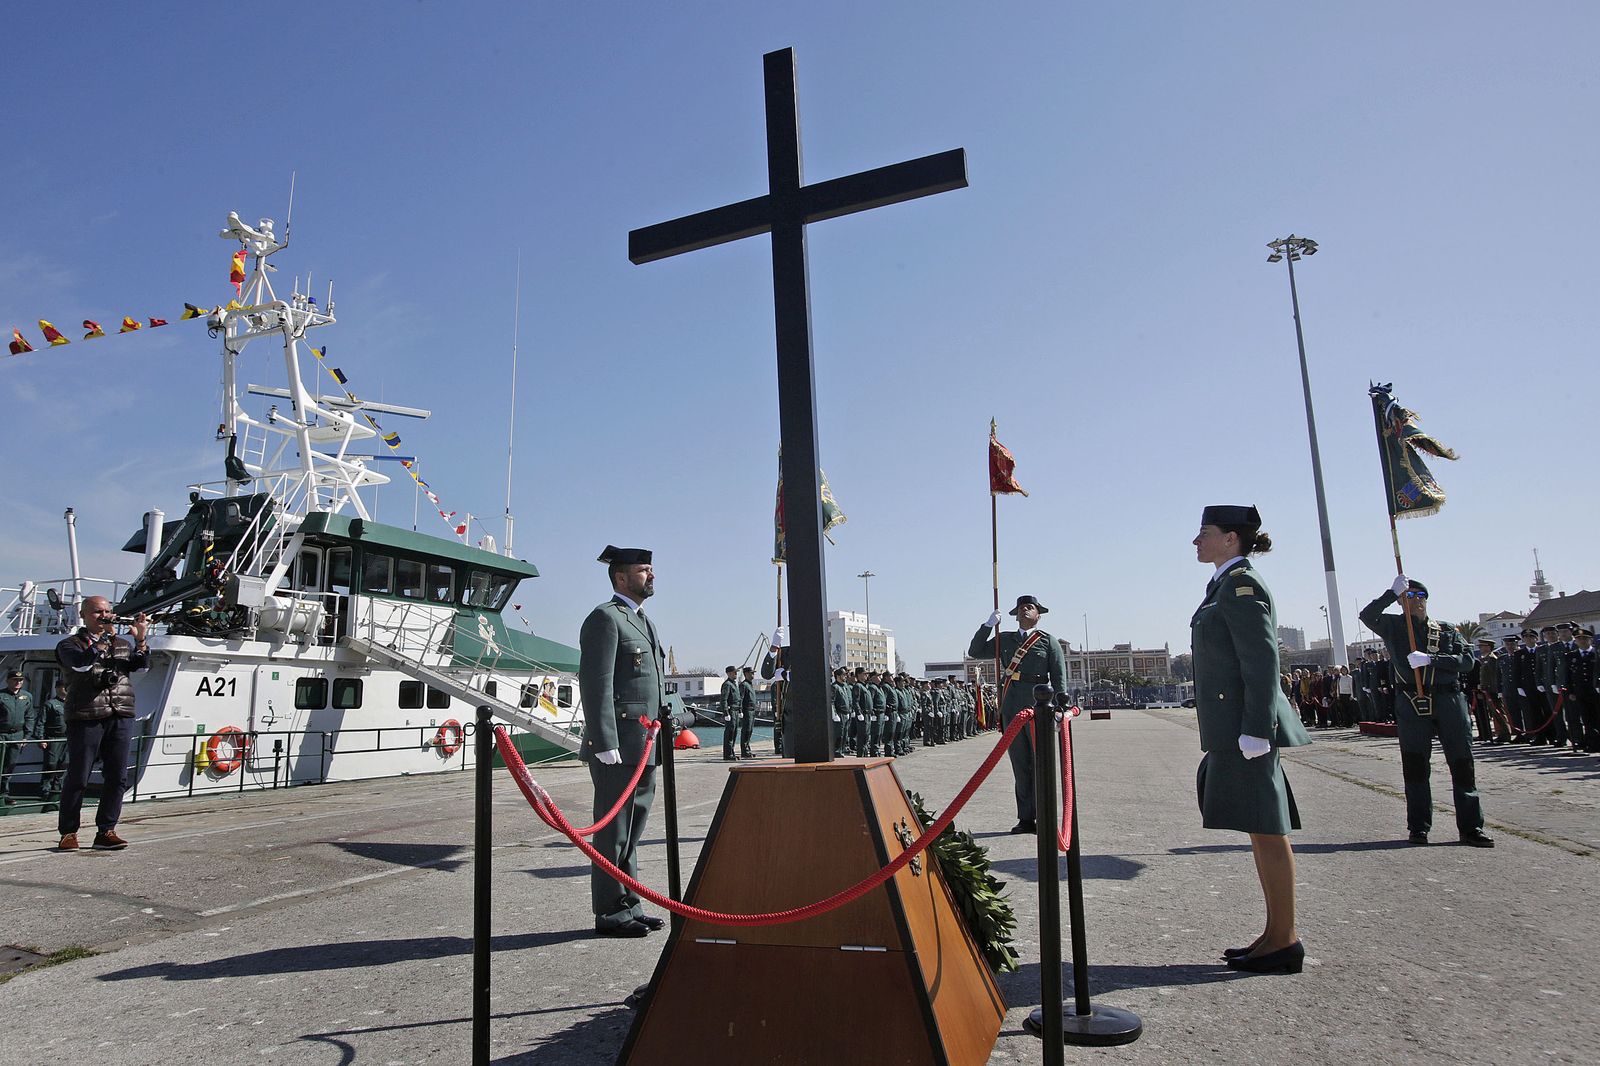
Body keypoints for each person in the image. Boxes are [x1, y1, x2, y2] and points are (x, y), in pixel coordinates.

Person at [1190, 505, 1310, 975]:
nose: (1196, 541)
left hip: (1247, 728)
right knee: (1260, 828)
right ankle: (1275, 934)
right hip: (1235, 727)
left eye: (1205, 533)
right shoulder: (1224, 584)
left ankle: (1284, 939)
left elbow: (1261, 662)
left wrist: (1258, 728)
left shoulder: (1241, 586)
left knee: (1268, 826)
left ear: (1230, 539)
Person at [1358, 577, 1494, 848]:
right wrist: (1389, 593)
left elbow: (1467, 661)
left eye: (1419, 595)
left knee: (1462, 765)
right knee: (1416, 767)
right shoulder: (1395, 626)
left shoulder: (1445, 630)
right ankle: (1419, 828)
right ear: (1401, 602)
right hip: (1411, 700)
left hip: (1449, 700)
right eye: (1408, 596)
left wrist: (1433, 659)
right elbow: (1367, 615)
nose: (1415, 599)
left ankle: (1471, 827)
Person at [577, 546, 667, 937]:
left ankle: (629, 904)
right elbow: (595, 684)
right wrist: (603, 740)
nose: (652, 575)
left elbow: (654, 686)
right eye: (644, 570)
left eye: (651, 569)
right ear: (621, 577)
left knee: (632, 831)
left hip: (644, 744)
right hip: (618, 747)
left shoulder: (643, 621)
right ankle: (610, 913)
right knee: (613, 833)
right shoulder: (605, 619)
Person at [54, 596, 150, 850]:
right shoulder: (68, 645)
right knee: (78, 777)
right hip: (86, 715)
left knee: (117, 776)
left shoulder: (122, 644)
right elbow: (82, 664)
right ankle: (68, 833)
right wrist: (105, 639)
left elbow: (140, 668)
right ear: (84, 615)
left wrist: (140, 639)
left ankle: (106, 830)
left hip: (120, 714)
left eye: (108, 611)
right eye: (98, 612)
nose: (104, 615)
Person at [969, 593, 1068, 834]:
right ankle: (1026, 818)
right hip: (1012, 707)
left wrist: (1060, 706)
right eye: (1022, 607)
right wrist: (987, 626)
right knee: (1020, 766)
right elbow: (976, 651)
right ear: (1015, 615)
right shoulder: (1004, 639)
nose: (1025, 610)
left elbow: (1058, 675)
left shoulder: (1048, 641)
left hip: (1038, 708)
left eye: (1030, 607)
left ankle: (1045, 816)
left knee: (1041, 764)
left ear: (1038, 615)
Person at [0, 670, 34, 805]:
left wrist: (27, 736)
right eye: (15, 680)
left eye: (20, 680)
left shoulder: (27, 697)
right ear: (8, 681)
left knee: (10, 765)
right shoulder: (1, 696)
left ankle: (4, 793)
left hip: (17, 735)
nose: (18, 682)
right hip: (2, 734)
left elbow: (29, 716)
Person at [35, 680, 69, 806]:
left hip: (68, 739)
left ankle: (57, 789)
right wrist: (41, 738)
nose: (65, 689)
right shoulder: (50, 704)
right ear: (57, 688)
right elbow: (41, 721)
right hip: (53, 738)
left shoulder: (72, 704)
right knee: (51, 764)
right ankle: (45, 790)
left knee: (64, 764)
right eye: (63, 686)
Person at [760, 629, 787, 757]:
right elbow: (766, 673)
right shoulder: (784, 653)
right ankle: (779, 748)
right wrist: (774, 648)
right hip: (787, 709)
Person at [719, 666, 741, 762]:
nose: (736, 674)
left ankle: (731, 752)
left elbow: (738, 699)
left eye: (736, 672)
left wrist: (740, 711)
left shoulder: (734, 684)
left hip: (736, 711)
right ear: (728, 673)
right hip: (731, 711)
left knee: (735, 732)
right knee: (730, 733)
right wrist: (726, 713)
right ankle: (728, 754)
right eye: (734, 672)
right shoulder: (727, 684)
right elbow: (724, 700)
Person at [738, 666, 758, 759]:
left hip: (752, 711)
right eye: (751, 673)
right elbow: (740, 698)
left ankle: (747, 749)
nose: (753, 674)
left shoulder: (750, 684)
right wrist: (740, 710)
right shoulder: (744, 685)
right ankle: (744, 751)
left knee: (750, 731)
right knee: (746, 730)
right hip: (747, 710)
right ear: (746, 674)